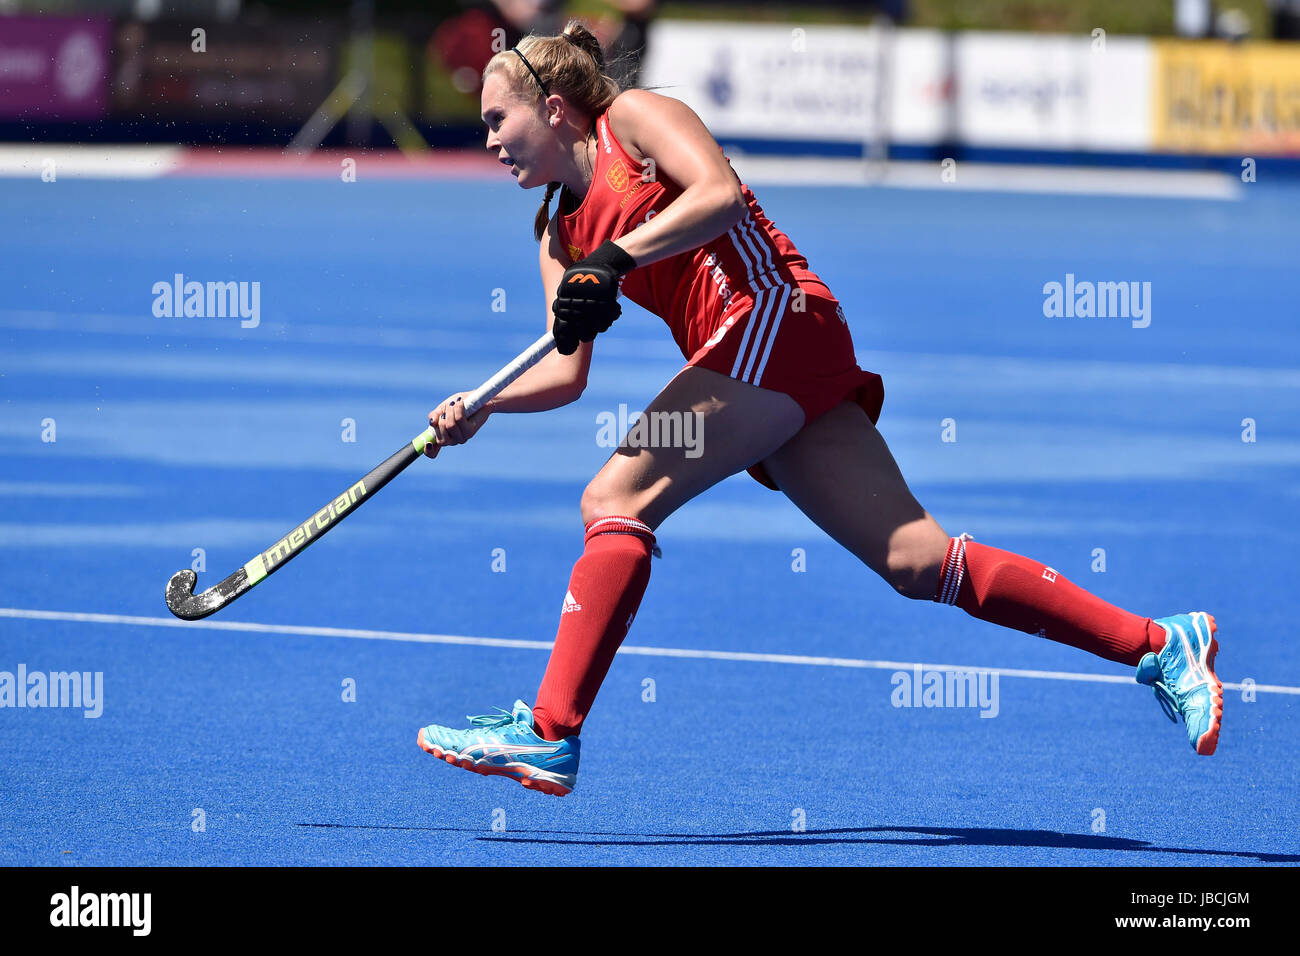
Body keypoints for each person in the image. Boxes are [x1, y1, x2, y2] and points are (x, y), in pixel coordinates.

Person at [416, 21, 1222, 797]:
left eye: (498, 119)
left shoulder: (632, 120)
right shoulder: (556, 229)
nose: (489, 140)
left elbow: (720, 195)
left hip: (775, 317)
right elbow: (566, 371)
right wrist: (482, 406)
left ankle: (552, 728)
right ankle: (1160, 643)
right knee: (920, 563)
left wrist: (616, 258)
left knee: (613, 499)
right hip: (760, 364)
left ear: (553, 108)